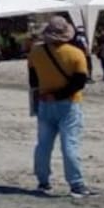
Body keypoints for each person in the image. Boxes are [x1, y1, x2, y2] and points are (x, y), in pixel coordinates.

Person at [29, 16, 95, 197]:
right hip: (69, 103)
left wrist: (45, 95)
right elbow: (79, 83)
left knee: (43, 144)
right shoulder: (76, 53)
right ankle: (76, 184)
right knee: (70, 144)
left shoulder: (35, 53)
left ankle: (43, 181)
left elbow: (33, 81)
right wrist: (58, 94)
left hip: (44, 102)